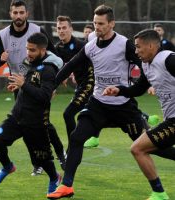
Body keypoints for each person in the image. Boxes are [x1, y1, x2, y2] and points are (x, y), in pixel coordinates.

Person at [47, 5, 175, 199]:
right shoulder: (90, 47)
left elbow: (145, 65)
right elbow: (71, 65)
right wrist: (51, 86)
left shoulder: (125, 44)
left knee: (152, 147)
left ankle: (159, 190)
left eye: (101, 24)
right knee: (76, 137)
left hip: (124, 108)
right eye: (94, 23)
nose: (96, 27)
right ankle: (66, 185)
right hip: (99, 104)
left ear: (111, 24)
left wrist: (143, 83)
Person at [0, 0, 66, 176]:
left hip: (40, 83)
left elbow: (53, 55)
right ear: (10, 14)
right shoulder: (2, 35)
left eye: (21, 12)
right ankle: (39, 163)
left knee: (41, 124)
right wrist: (1, 59)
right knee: (27, 125)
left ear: (27, 14)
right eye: (15, 13)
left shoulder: (38, 31)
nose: (18, 16)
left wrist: (54, 82)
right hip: (20, 85)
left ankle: (59, 155)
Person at [103, 29, 174, 200]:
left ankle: (159, 193)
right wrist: (118, 90)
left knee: (137, 148)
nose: (136, 52)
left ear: (151, 46)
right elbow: (138, 89)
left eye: (138, 47)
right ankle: (159, 193)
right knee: (140, 148)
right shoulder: (147, 65)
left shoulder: (168, 59)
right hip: (171, 119)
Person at [0, 32, 62, 195]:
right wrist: (19, 86)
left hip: (35, 123)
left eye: (32, 50)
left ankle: (54, 178)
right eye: (27, 49)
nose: (28, 53)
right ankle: (8, 167)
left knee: (42, 159)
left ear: (43, 51)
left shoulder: (49, 70)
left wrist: (23, 85)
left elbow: (45, 97)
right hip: (16, 117)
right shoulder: (31, 64)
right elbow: (30, 84)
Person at [55, 15, 96, 151]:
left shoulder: (81, 45)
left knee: (68, 114)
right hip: (80, 85)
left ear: (71, 29)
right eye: (59, 28)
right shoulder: (58, 49)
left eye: (64, 28)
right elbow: (58, 67)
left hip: (90, 83)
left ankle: (73, 148)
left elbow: (94, 61)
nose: (61, 31)